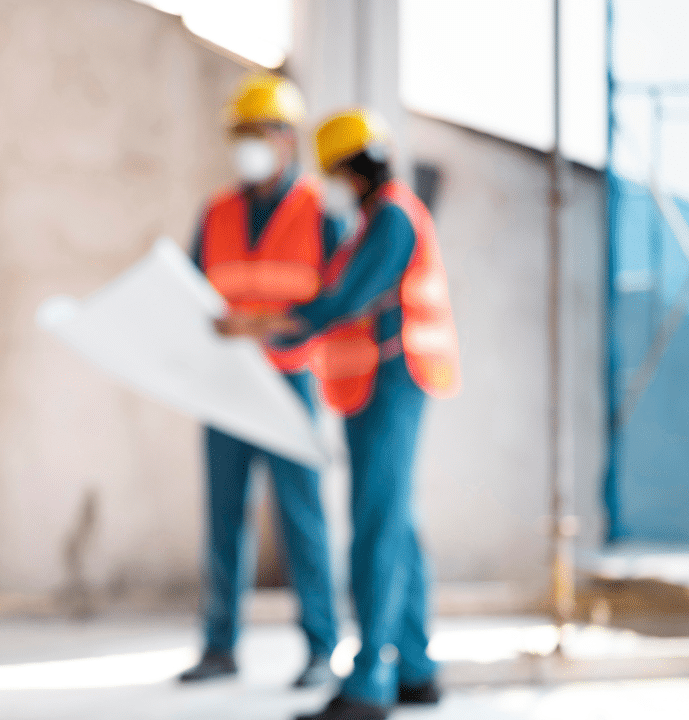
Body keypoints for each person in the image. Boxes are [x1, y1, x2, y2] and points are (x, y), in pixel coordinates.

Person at [272, 109, 460, 720]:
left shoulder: (391, 220)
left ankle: (369, 680)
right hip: (381, 384)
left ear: (344, 171)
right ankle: (415, 668)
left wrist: (280, 325)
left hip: (390, 383)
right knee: (396, 524)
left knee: (376, 526)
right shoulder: (380, 219)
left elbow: (350, 298)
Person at [178, 72, 342, 689]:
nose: (246, 144)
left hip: (290, 382)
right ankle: (219, 647)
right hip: (225, 386)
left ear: (287, 139)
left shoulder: (319, 212)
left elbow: (336, 303)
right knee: (223, 518)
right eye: (238, 134)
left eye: (257, 132)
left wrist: (271, 328)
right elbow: (193, 291)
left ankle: (322, 649)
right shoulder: (217, 211)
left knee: (303, 519)